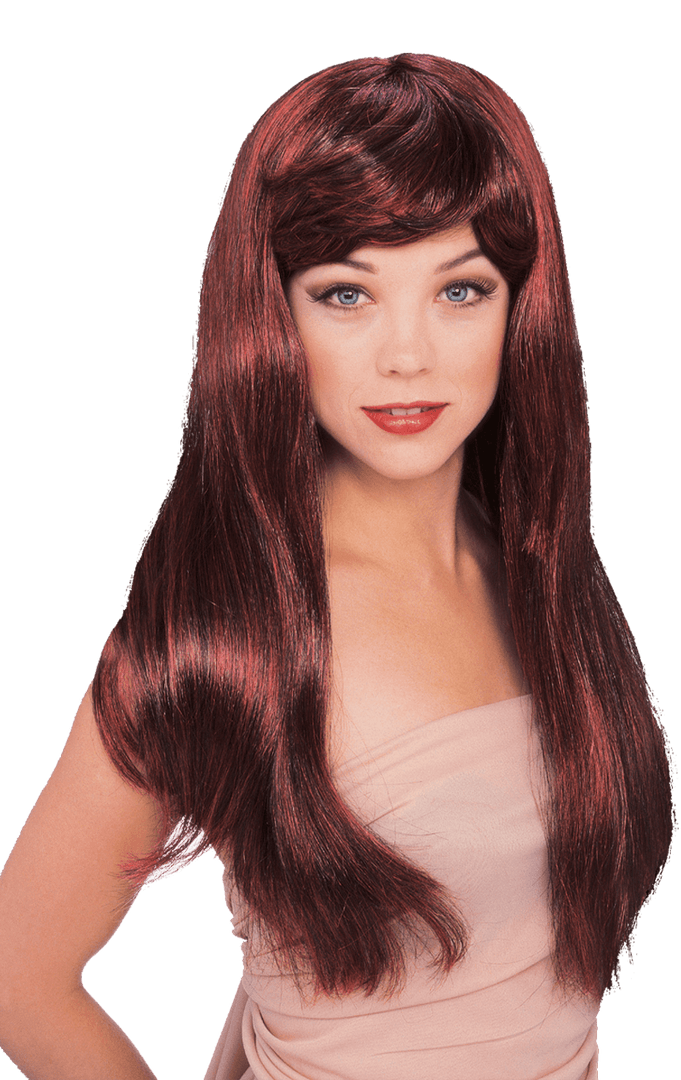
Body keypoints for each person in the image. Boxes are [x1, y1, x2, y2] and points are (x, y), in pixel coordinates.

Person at [0, 53, 675, 1080]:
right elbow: (15, 977)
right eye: (346, 293)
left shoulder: (540, 570)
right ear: (275, 313)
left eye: (459, 288)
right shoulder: (230, 630)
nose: (408, 354)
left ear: (519, 307)